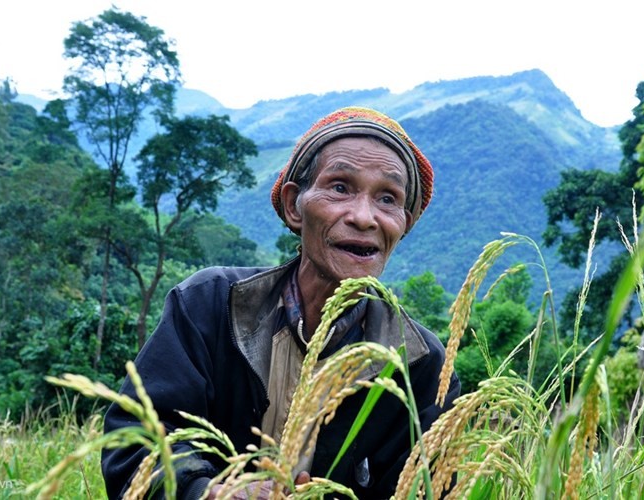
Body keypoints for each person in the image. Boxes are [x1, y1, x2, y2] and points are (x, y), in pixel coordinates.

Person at [101, 107, 461, 499]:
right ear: (294, 206)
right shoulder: (211, 305)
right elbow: (135, 441)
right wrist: (210, 492)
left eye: (388, 199)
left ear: (403, 224)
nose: (363, 217)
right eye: (340, 187)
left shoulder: (419, 366)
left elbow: (429, 488)